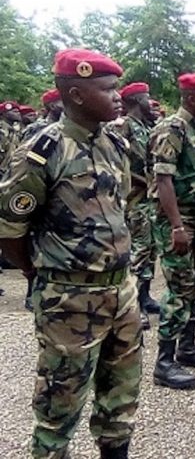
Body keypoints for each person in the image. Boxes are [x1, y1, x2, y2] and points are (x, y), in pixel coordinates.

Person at [0, 48, 141, 459]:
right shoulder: (42, 152)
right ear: (76, 95)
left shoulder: (113, 144)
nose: (118, 97)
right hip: (69, 300)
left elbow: (122, 204)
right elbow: (9, 228)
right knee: (58, 408)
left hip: (121, 292)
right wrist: (37, 273)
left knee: (121, 400)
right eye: (108, 89)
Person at [150, 73, 195, 390]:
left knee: (194, 285)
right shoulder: (172, 128)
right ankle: (164, 363)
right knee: (178, 288)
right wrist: (177, 226)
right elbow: (163, 181)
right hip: (175, 220)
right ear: (191, 98)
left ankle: (187, 347)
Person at [110, 82, 160, 329]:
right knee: (139, 250)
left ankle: (146, 296)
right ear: (137, 101)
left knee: (150, 249)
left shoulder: (145, 126)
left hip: (149, 197)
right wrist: (147, 182)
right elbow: (119, 164)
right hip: (135, 198)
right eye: (147, 98)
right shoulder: (124, 126)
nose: (150, 102)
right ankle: (134, 304)